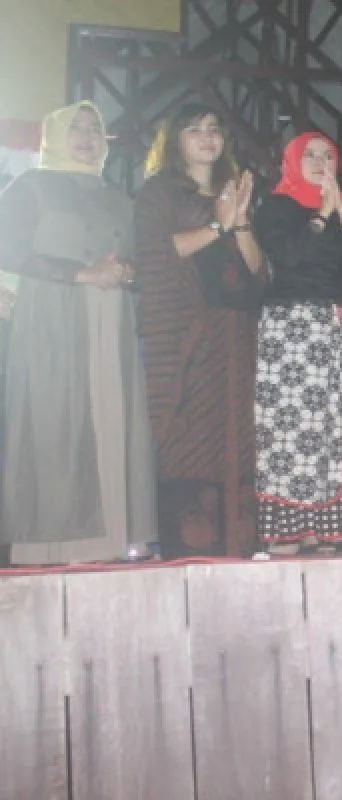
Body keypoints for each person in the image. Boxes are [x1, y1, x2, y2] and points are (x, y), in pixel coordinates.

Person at [0, 101, 156, 564]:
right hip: (52, 314)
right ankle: (49, 544)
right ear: (54, 136)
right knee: (55, 419)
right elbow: (8, 248)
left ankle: (110, 543)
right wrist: (81, 274)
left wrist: (126, 271)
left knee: (111, 416)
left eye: (94, 129)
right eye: (76, 129)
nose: (86, 137)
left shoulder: (116, 196)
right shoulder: (31, 185)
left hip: (112, 316)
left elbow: (142, 258)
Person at [252, 132, 342, 554]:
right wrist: (321, 214)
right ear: (292, 161)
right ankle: (294, 527)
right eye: (310, 155)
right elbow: (290, 254)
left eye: (327, 156)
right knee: (300, 428)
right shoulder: (276, 207)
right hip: (296, 326)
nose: (320, 162)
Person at [134, 102, 265, 558]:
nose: (208, 137)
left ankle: (238, 546)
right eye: (194, 130)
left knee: (238, 437)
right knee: (186, 438)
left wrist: (241, 219)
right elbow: (155, 252)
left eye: (214, 129)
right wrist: (217, 224)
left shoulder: (232, 193)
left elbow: (257, 271)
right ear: (175, 140)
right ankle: (188, 549)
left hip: (234, 336)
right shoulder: (159, 191)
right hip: (186, 337)